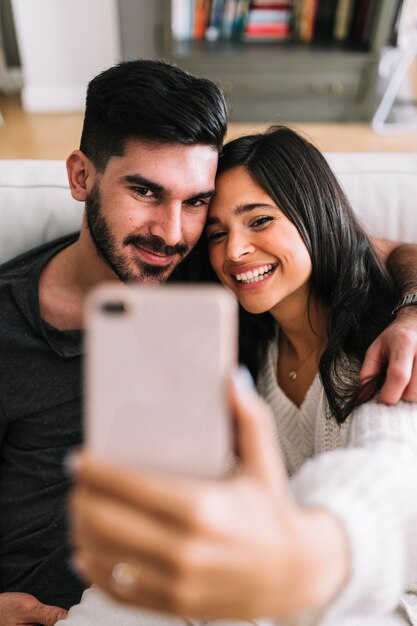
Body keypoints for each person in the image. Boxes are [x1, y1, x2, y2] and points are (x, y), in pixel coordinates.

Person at [0, 59, 416, 626]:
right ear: (81, 177)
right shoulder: (15, 321)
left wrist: (411, 311)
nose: (174, 233)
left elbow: (380, 251)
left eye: (196, 201)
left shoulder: (208, 265)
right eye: (145, 191)